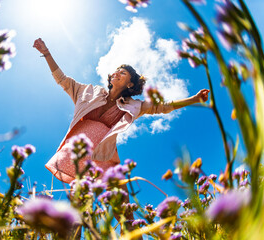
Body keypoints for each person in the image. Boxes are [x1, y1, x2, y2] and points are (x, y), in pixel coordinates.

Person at [33, 38, 209, 232]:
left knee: (124, 208)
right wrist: (47, 53)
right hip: (78, 152)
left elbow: (163, 107)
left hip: (105, 156)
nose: (116, 72)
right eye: (116, 70)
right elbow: (63, 80)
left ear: (130, 83)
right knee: (78, 206)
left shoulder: (134, 105)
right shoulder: (89, 92)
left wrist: (193, 99)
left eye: (122, 72)